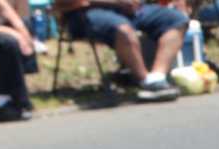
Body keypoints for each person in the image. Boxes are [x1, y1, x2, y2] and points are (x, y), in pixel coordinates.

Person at [55, 0, 186, 100]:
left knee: (176, 19)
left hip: (130, 11)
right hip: (84, 13)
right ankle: (146, 81)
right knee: (124, 30)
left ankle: (157, 77)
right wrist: (116, 2)